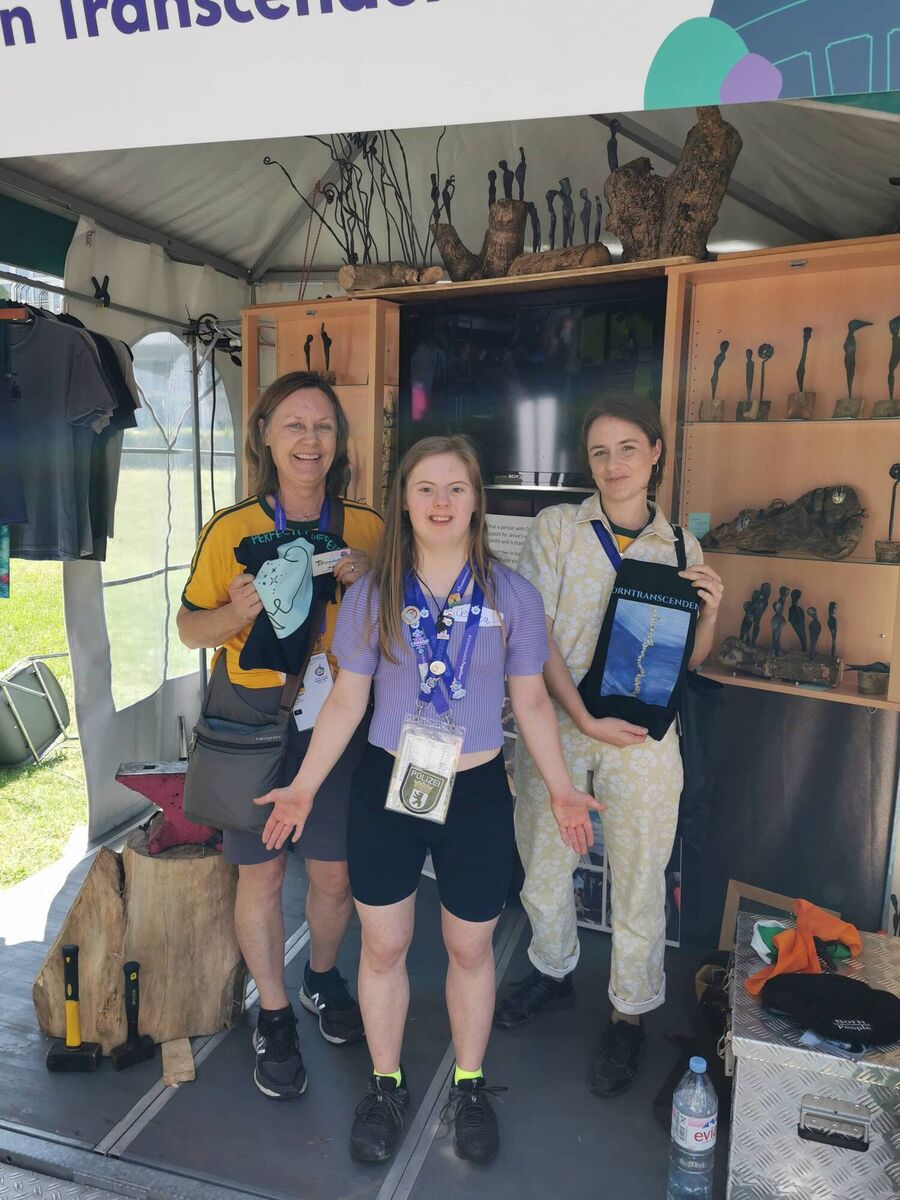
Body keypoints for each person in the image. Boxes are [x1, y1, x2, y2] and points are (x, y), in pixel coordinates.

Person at [253, 435, 600, 1166]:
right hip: (388, 787)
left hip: (473, 790)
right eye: (425, 489)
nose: (440, 503)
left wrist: (564, 788)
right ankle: (386, 1085)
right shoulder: (373, 595)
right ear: (403, 502)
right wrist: (305, 786)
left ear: (477, 500)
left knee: (469, 948)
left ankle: (469, 1084)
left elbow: (533, 704)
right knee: (383, 945)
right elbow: (347, 701)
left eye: (455, 489)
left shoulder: (514, 597)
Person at [494, 393, 723, 1098]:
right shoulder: (559, 529)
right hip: (558, 727)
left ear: (656, 452)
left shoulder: (682, 547)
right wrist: (583, 720)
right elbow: (532, 639)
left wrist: (710, 612)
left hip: (643, 741)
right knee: (542, 865)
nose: (614, 464)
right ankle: (555, 969)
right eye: (599, 451)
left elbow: (687, 661)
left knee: (638, 877)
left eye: (628, 448)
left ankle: (628, 1015)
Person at [177, 371, 383, 1100]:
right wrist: (233, 615)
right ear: (265, 435)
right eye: (293, 425)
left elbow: (393, 629)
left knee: (333, 874)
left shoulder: (365, 527)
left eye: (323, 426)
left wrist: (366, 588)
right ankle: (273, 1011)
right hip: (252, 724)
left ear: (339, 442)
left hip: (336, 725)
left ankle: (321, 979)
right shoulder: (231, 529)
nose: (309, 439)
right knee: (260, 874)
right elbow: (187, 628)